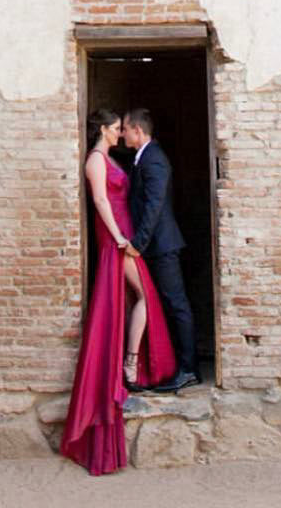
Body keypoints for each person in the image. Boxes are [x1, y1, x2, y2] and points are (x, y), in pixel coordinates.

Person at [60, 108, 176, 475]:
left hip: (123, 233)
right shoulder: (95, 159)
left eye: (121, 129)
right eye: (114, 129)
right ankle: (128, 362)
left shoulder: (109, 157)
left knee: (141, 296)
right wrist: (118, 236)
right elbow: (99, 202)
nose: (119, 133)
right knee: (144, 295)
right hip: (116, 236)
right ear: (103, 131)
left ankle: (130, 361)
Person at [122, 107, 199, 392]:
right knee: (167, 304)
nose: (122, 133)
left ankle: (188, 369)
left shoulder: (154, 160)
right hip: (155, 246)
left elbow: (154, 207)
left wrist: (137, 244)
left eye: (125, 129)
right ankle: (171, 366)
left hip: (162, 246)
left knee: (176, 304)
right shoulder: (142, 158)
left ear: (138, 131)